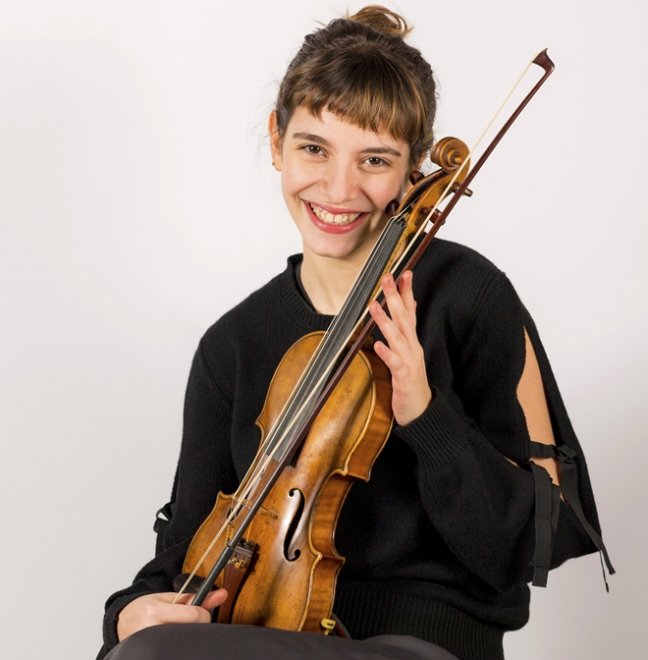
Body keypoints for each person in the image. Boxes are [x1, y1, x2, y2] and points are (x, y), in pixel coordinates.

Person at [97, 6, 612, 660]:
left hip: (422, 648)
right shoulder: (233, 344)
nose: (338, 189)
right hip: (267, 641)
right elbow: (184, 555)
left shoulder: (469, 297)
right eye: (314, 148)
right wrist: (126, 615)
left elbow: (530, 544)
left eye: (374, 159)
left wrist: (426, 414)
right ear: (277, 140)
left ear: (414, 168)